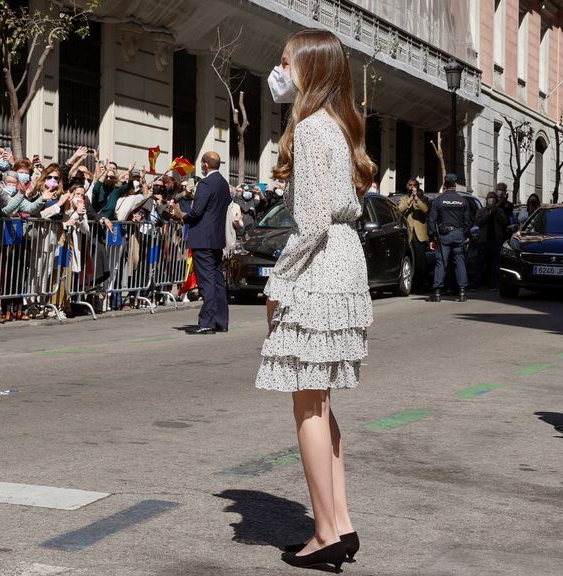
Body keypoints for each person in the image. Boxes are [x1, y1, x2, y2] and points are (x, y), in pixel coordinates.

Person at [255, 29, 374, 571]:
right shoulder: (336, 127)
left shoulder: (310, 129)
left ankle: (326, 530)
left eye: (285, 61)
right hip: (342, 261)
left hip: (321, 263)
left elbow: (309, 225)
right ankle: (339, 522)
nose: (278, 70)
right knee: (320, 401)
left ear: (308, 69)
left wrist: (278, 282)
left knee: (308, 401)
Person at [168, 151, 230, 334]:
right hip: (216, 238)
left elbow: (196, 212)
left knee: (207, 282)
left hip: (203, 239)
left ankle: (207, 323)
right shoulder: (223, 183)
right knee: (217, 280)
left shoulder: (206, 183)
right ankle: (220, 321)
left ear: (205, 165)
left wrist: (180, 215)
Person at [427, 173, 472, 302]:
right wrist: (463, 233)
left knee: (441, 262)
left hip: (444, 236)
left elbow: (431, 220)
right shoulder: (463, 201)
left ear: (444, 184)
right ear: (455, 184)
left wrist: (432, 237)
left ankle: (437, 293)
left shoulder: (439, 200)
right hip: (458, 235)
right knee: (459, 262)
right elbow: (468, 221)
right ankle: (462, 292)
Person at [396, 178, 430, 290]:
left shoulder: (424, 199)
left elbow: (425, 210)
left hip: (420, 234)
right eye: (410, 185)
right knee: (410, 258)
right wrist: (409, 201)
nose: (412, 187)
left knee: (420, 260)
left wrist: (417, 199)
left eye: (414, 185)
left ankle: (421, 283)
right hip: (408, 233)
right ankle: (412, 282)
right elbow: (399, 210)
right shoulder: (404, 199)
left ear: (418, 186)